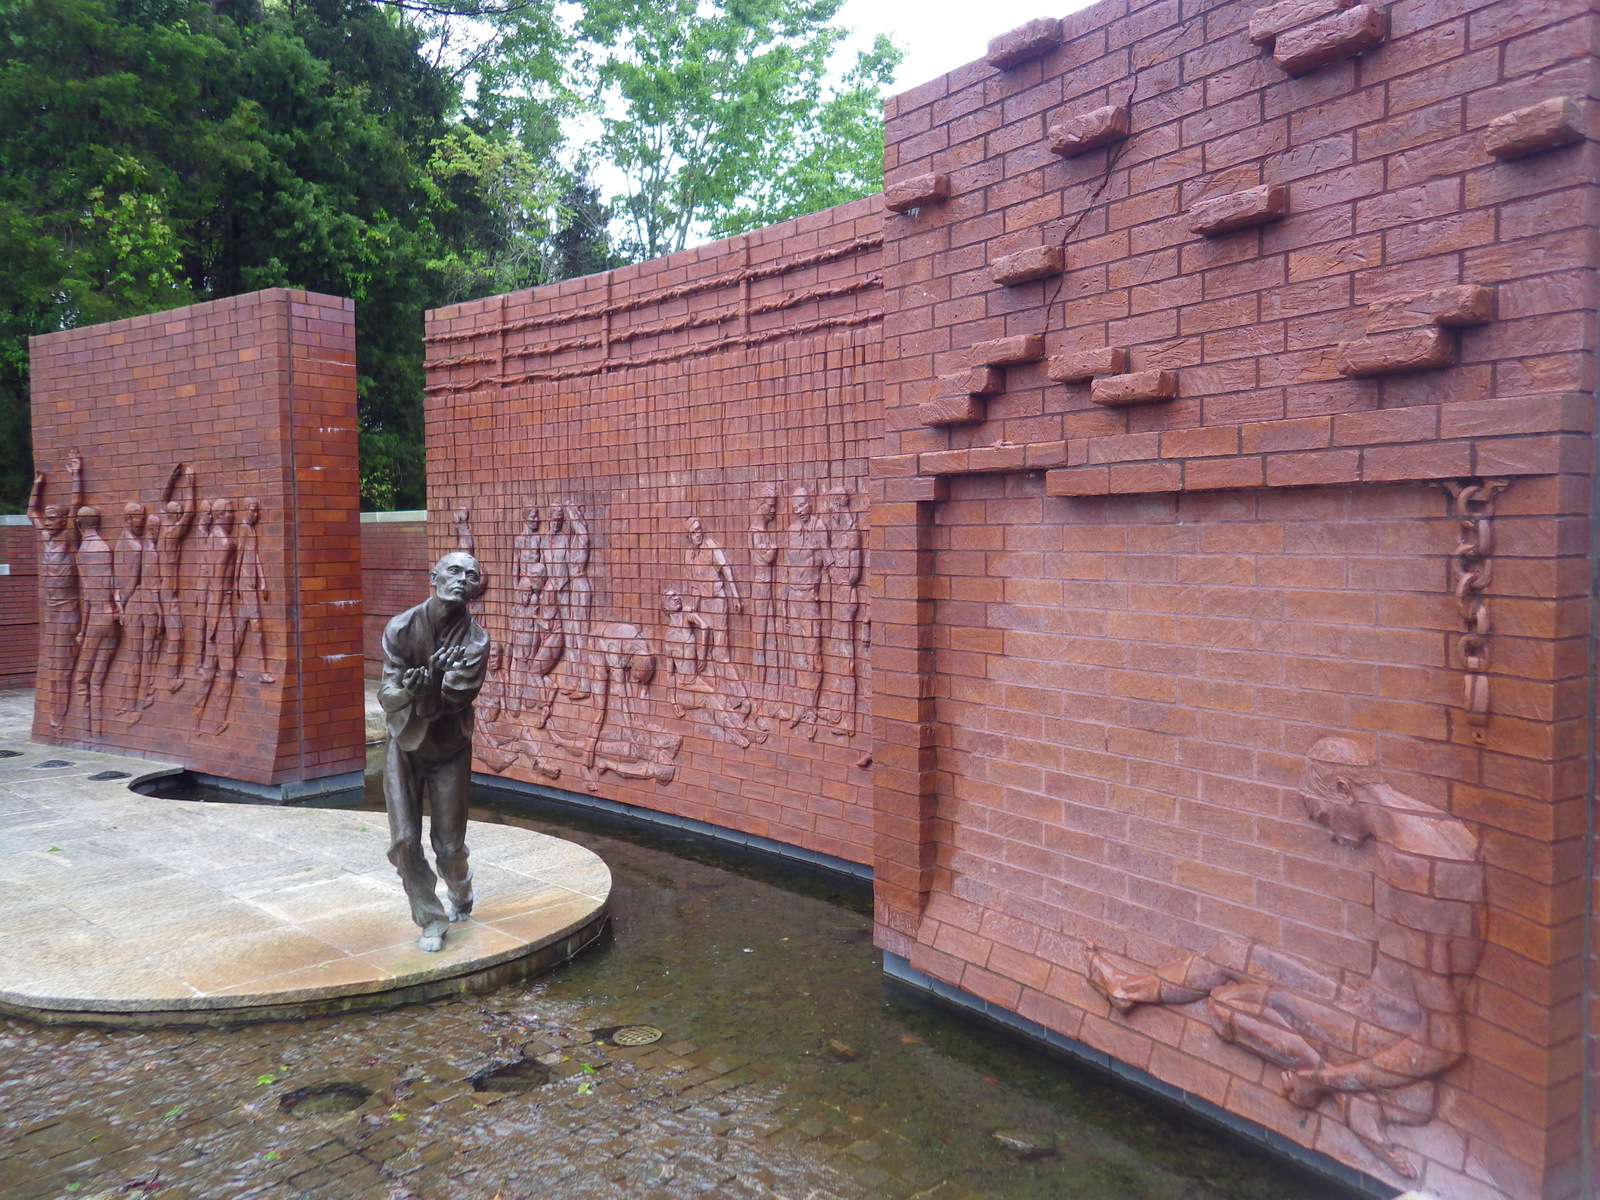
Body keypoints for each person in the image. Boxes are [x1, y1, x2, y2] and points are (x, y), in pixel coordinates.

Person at [1084, 736, 1484, 1180]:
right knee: (1234, 953)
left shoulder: (1414, 867)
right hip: (1365, 1010)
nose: (1329, 830)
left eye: (1323, 813)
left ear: (1343, 790)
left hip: (1385, 1036)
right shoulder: (1441, 830)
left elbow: (1443, 1041)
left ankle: (1333, 1085)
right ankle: (1128, 990)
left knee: (1226, 1006)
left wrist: (1323, 1080)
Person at [378, 551, 490, 952]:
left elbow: (442, 706)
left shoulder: (476, 642)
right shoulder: (402, 628)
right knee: (404, 842)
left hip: (448, 749)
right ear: (435, 576)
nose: (462, 579)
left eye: (471, 575)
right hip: (404, 745)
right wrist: (410, 687)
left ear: (476, 589)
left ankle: (460, 889)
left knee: (448, 847)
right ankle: (430, 918)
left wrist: (434, 680)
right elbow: (387, 697)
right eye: (454, 571)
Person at [27, 450, 84, 733]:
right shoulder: (47, 537)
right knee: (54, 666)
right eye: (47, 518)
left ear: (63, 521)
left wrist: (76, 476)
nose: (47, 522)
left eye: (53, 518)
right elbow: (30, 512)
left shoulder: (69, 539)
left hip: (66, 610)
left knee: (63, 667)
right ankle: (58, 716)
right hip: (51, 611)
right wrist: (38, 486)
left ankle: (60, 719)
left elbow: (76, 507)